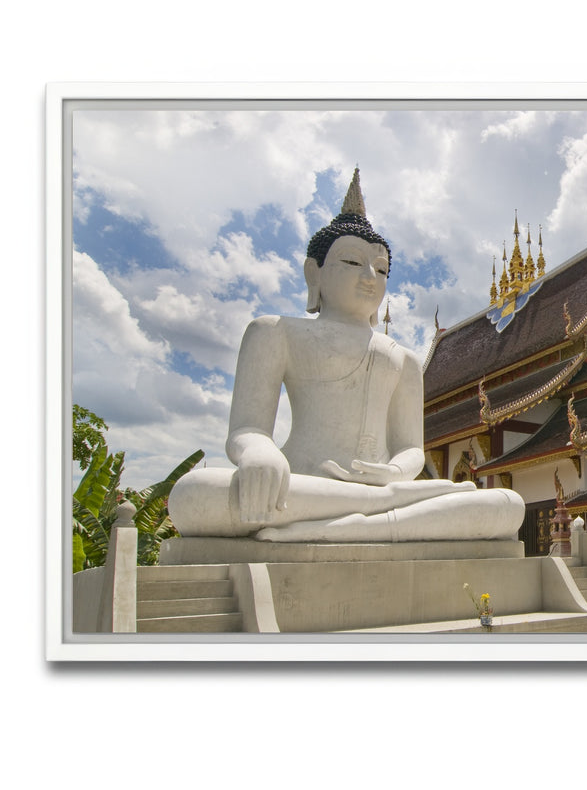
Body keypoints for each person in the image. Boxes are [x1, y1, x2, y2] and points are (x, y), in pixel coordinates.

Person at [169, 173, 524, 543]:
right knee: (193, 495)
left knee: (507, 504)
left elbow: (409, 450)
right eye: (353, 262)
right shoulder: (275, 332)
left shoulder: (402, 359)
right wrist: (259, 454)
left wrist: (392, 476)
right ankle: (367, 518)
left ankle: (354, 524)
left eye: (382, 268)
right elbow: (247, 430)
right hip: (299, 485)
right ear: (314, 273)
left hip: (385, 492)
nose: (371, 276)